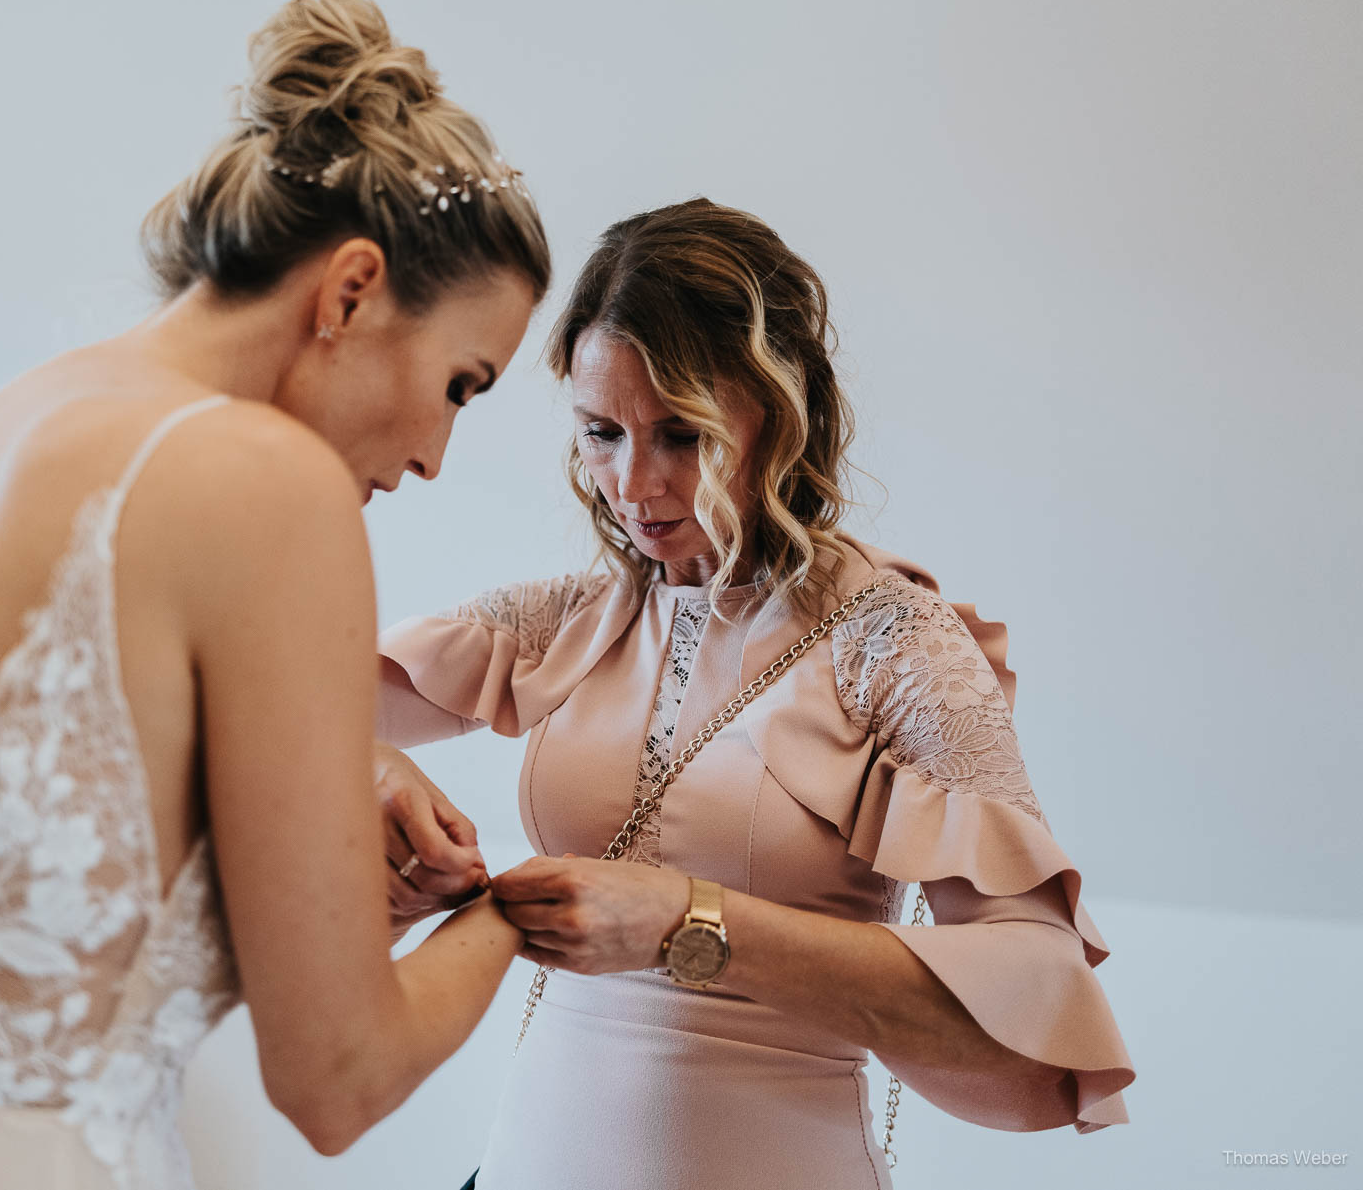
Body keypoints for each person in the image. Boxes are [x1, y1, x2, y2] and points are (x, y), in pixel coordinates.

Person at [0, 0, 551, 1189]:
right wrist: (514, 915)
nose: (436, 455)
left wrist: (323, 840)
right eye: (462, 382)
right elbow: (338, 1079)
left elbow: (17, 939)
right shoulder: (266, 482)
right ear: (348, 291)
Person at [377, 199, 1136, 1190]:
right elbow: (251, 714)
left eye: (681, 434)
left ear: (778, 411)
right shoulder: (563, 621)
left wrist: (693, 924)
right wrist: (387, 792)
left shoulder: (895, 643)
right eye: (602, 432)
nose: (633, 484)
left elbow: (1040, 1013)